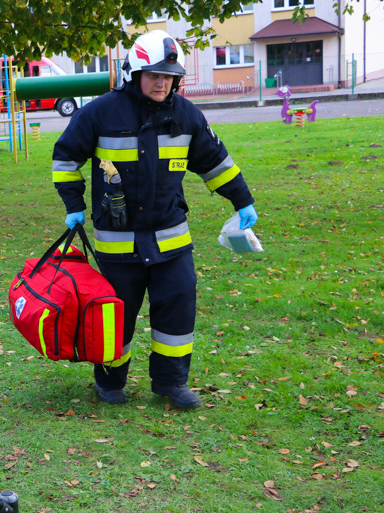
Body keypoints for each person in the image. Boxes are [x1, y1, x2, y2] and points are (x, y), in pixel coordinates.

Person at [52, 30, 259, 408]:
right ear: (134, 73)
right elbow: (66, 158)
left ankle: (170, 383)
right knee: (116, 317)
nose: (161, 82)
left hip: (171, 240)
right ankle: (110, 382)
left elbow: (215, 163)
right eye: (153, 74)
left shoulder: (186, 116)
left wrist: (242, 202)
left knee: (177, 312)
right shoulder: (101, 112)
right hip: (118, 242)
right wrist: (73, 204)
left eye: (168, 75)